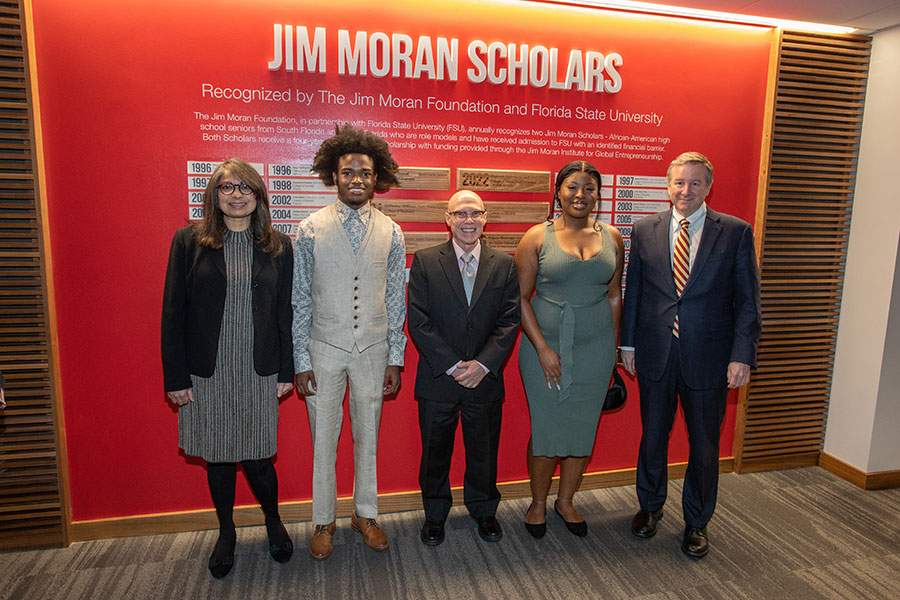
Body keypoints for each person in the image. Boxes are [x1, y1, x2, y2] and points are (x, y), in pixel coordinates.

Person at [621, 152, 761, 558]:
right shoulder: (645, 229)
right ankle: (649, 507)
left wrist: (742, 356)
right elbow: (635, 294)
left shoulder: (734, 232)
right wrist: (627, 345)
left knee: (703, 446)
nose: (686, 190)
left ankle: (697, 522)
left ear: (708, 187)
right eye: (680, 182)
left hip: (711, 359)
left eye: (695, 183)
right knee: (652, 437)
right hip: (655, 353)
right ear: (668, 186)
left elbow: (748, 302)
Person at [161, 158, 295, 579]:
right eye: (227, 187)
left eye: (245, 188)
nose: (236, 196)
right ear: (213, 194)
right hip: (208, 370)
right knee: (218, 457)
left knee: (257, 458)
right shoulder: (189, 241)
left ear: (259, 195)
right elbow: (172, 313)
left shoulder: (278, 245)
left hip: (259, 368)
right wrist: (176, 378)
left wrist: (287, 370)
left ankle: (274, 522)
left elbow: (286, 313)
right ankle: (226, 532)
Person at [292, 124, 406, 560]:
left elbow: (396, 299)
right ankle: (324, 519)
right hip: (322, 349)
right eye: (347, 172)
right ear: (333, 176)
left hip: (374, 351)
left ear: (377, 178)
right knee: (323, 438)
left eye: (365, 173)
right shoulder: (310, 230)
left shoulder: (392, 232)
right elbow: (299, 297)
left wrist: (395, 357)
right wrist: (300, 357)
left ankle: (366, 513)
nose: (356, 179)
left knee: (368, 435)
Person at [515, 160, 624, 539]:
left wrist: (612, 349)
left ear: (598, 194)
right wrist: (543, 348)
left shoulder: (612, 237)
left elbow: (613, 296)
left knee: (582, 427)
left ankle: (566, 501)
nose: (581, 195)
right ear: (558, 192)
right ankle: (538, 502)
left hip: (596, 347)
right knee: (547, 428)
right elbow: (521, 299)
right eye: (573, 187)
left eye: (589, 188)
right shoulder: (535, 237)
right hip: (543, 347)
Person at [407, 190, 521, 546]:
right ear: (448, 218)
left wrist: (483, 365)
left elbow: (509, 320)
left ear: (485, 218)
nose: (468, 220)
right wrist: (456, 365)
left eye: (475, 213)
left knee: (484, 452)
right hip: (440, 379)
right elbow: (418, 320)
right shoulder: (425, 261)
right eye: (460, 214)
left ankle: (484, 511)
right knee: (435, 454)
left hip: (484, 380)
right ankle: (435, 515)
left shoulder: (504, 264)